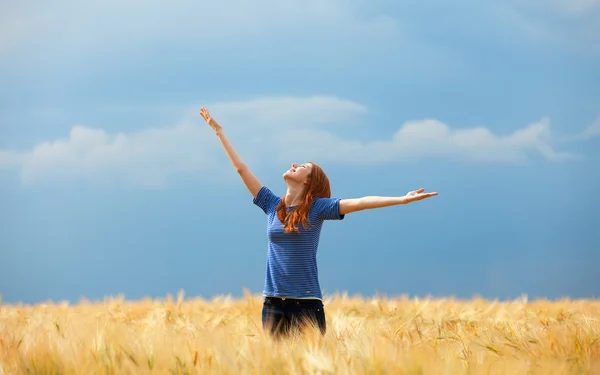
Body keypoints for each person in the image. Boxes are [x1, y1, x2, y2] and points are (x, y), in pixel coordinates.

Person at [200, 107, 438, 338]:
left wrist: (402, 200)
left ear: (308, 182)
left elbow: (361, 203)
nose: (294, 165)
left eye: (302, 167)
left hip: (306, 306)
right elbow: (242, 169)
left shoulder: (317, 209)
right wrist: (218, 131)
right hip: (273, 304)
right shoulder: (272, 205)